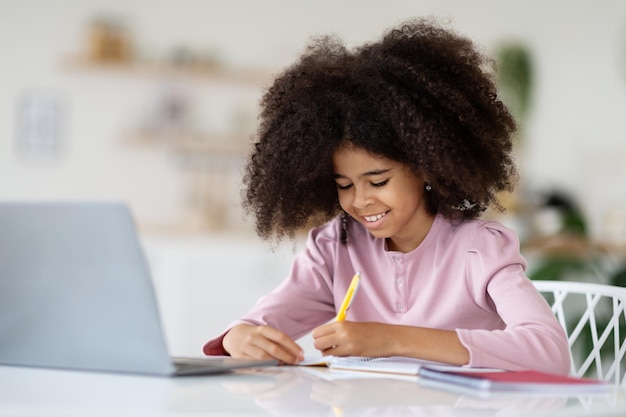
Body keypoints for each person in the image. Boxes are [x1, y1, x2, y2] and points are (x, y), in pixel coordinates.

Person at [203, 17, 571, 375]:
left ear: (427, 164)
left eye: (377, 181)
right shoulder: (336, 246)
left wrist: (392, 339)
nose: (360, 201)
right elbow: (259, 323)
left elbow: (549, 352)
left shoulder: (478, 249)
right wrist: (242, 336)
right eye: (344, 185)